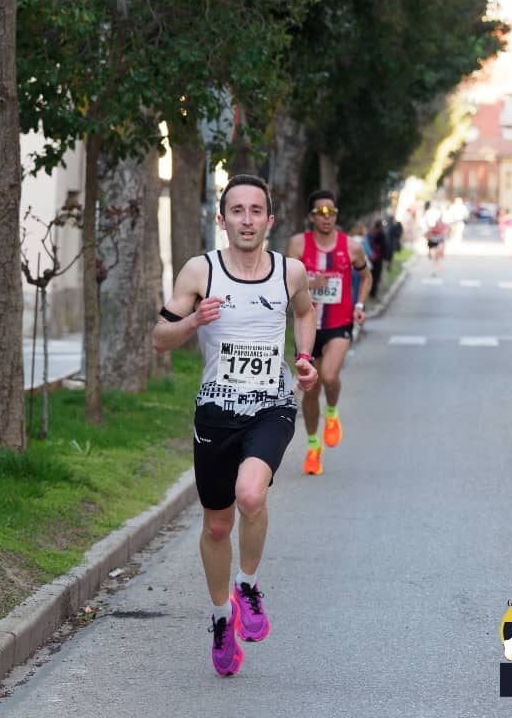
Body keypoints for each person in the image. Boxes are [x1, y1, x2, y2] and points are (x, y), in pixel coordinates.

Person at [152, 174, 319, 677]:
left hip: (271, 405)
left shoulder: (290, 272)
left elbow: (305, 313)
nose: (247, 220)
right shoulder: (200, 271)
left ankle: (247, 585)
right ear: (222, 220)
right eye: (237, 211)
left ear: (270, 219)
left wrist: (304, 357)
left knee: (251, 495)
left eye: (256, 211)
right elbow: (160, 337)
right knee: (217, 525)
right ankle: (221, 617)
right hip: (216, 412)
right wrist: (192, 323)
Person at [286, 190, 371, 476]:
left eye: (331, 212)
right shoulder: (298, 244)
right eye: (321, 213)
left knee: (330, 376)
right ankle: (313, 448)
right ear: (311, 216)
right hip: (307, 327)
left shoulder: (352, 247)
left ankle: (332, 413)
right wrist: (310, 282)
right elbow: (286, 280)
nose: (327, 217)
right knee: (311, 391)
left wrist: (359, 305)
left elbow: (366, 276)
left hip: (338, 324)